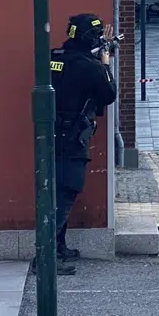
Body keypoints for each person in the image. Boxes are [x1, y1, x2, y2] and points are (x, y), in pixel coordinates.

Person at [48, 14, 118, 272]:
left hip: (51, 134)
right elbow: (108, 94)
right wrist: (105, 60)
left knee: (56, 191)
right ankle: (46, 257)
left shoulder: (54, 57)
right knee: (68, 189)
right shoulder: (90, 67)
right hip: (73, 136)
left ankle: (58, 246)